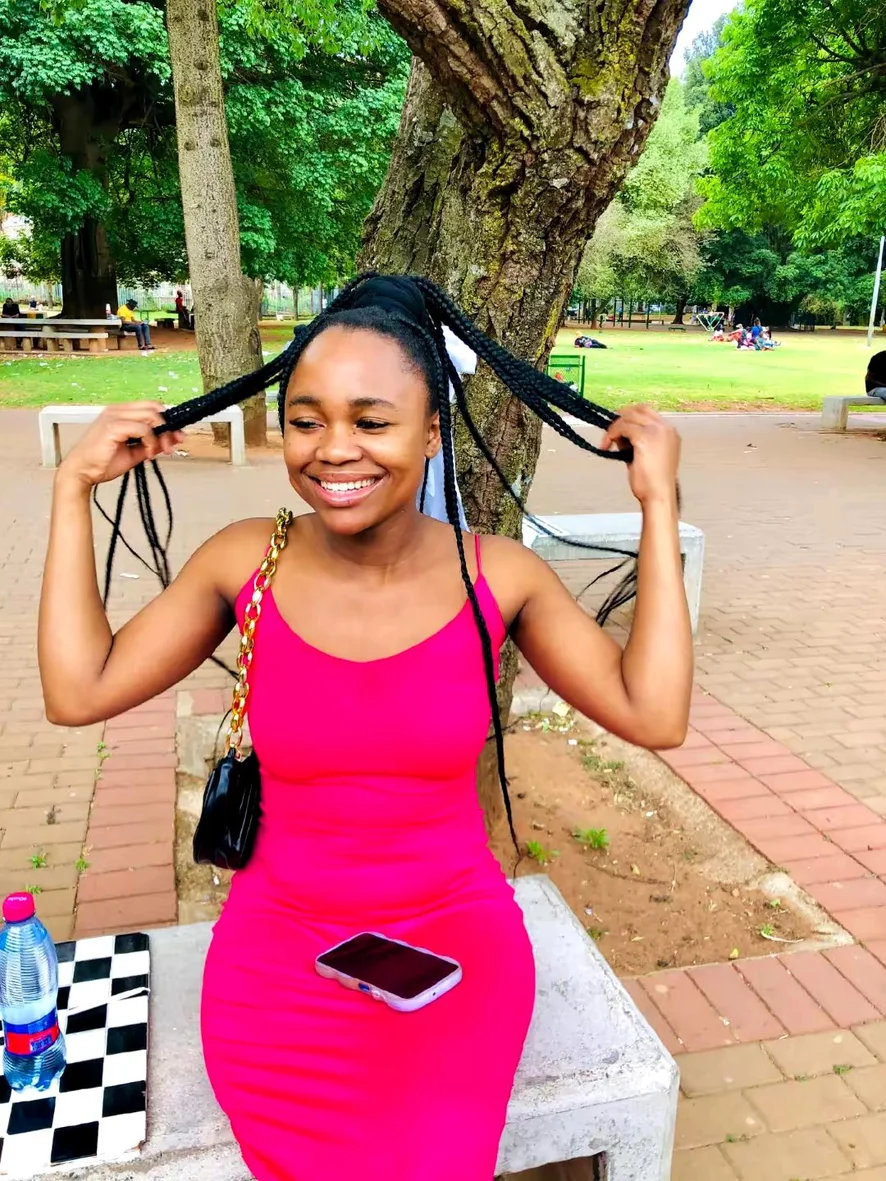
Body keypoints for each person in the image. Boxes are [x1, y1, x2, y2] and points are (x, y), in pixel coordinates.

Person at [38, 274, 692, 1181]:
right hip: (277, 965)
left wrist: (659, 504)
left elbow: (655, 712)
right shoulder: (246, 559)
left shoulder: (499, 577)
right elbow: (79, 690)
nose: (334, 449)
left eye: (371, 420)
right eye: (305, 421)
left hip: (455, 952)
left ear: (432, 433)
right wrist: (72, 486)